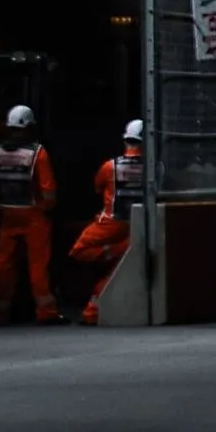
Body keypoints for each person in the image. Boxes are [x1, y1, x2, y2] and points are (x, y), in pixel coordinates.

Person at [0, 105, 58, 326]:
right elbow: (48, 190)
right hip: (34, 215)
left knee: (3, 266)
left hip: (7, 215)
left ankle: (0, 312)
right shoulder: (38, 153)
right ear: (30, 126)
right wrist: (48, 210)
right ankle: (46, 312)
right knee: (38, 266)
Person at [69, 120, 145, 323]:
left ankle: (117, 252)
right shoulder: (155, 168)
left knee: (79, 250)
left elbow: (97, 188)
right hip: (142, 226)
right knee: (119, 268)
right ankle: (123, 250)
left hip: (111, 224)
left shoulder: (109, 166)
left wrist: (109, 251)